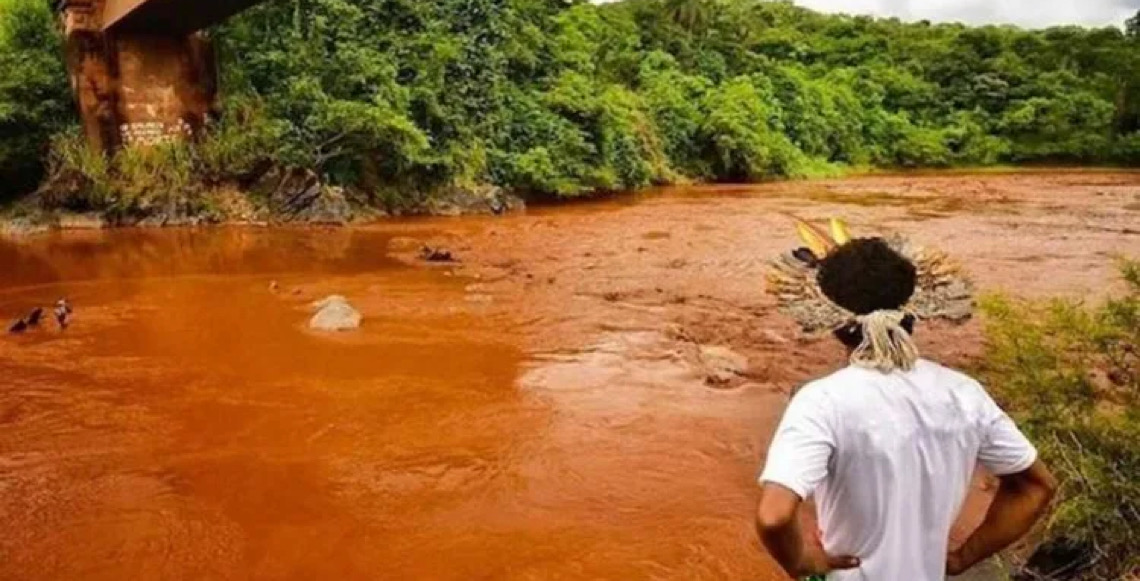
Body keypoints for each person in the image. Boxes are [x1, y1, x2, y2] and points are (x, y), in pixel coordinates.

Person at [756, 233, 1057, 580]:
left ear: (835, 324)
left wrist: (802, 562)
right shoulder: (964, 394)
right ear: (912, 313)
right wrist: (961, 559)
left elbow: (773, 517)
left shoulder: (822, 401)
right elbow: (1037, 486)